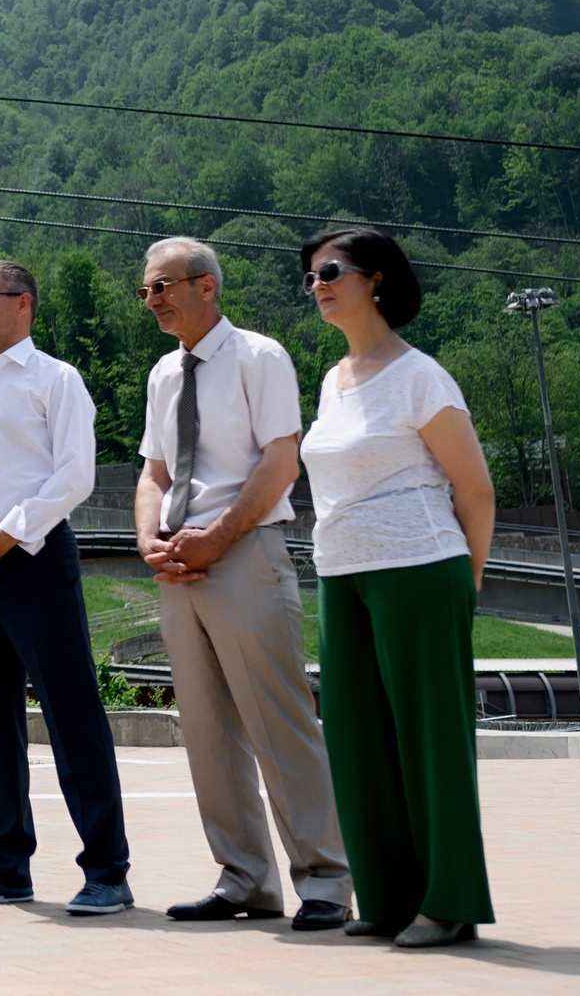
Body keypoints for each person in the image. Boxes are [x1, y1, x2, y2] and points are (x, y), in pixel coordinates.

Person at [132, 238, 351, 932]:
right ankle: (245, 879)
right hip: (177, 565)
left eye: (163, 285)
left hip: (245, 552)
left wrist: (217, 537)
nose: (152, 299)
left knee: (279, 721)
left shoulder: (260, 357)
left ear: (206, 286)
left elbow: (281, 463)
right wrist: (149, 538)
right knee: (206, 731)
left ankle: (326, 878)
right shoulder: (163, 374)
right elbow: (155, 472)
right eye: (146, 289)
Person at [298, 228, 498, 949]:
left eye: (330, 271)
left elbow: (476, 491)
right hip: (341, 574)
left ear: (376, 279)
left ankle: (449, 903)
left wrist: (465, 585)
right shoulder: (334, 379)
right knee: (357, 741)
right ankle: (385, 898)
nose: (316, 285)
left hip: (419, 567)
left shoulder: (420, 376)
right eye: (309, 276)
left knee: (430, 742)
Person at [0, 260, 133, 916]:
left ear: (24, 304)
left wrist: (8, 533)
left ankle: (107, 871)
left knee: (72, 714)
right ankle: (5, 865)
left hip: (35, 561)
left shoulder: (55, 380)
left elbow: (74, 476)